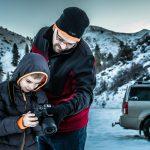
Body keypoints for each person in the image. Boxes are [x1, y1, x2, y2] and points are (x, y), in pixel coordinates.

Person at [31, 7, 96, 150]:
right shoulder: (41, 36)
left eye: (70, 43)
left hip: (70, 128)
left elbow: (86, 94)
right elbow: (33, 66)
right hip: (42, 119)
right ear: (54, 27)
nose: (62, 46)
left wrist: (63, 110)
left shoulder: (84, 57)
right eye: (60, 38)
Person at [0, 53, 50, 150]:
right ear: (21, 73)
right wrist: (20, 122)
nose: (32, 87)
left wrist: (43, 123)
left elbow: (38, 131)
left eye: (37, 83)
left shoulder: (40, 95)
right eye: (28, 81)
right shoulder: (3, 91)